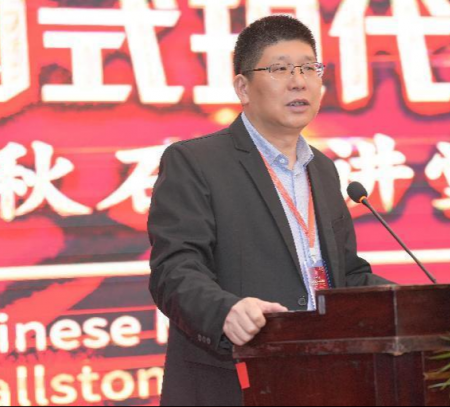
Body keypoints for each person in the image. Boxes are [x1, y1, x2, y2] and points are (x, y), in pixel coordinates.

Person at [147, 15, 393, 407]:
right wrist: (225, 311)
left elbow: (346, 276)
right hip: (235, 384)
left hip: (324, 380)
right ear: (243, 88)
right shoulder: (196, 162)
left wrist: (428, 303)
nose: (299, 82)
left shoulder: (322, 170)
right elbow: (174, 270)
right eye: (280, 69)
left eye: (309, 68)